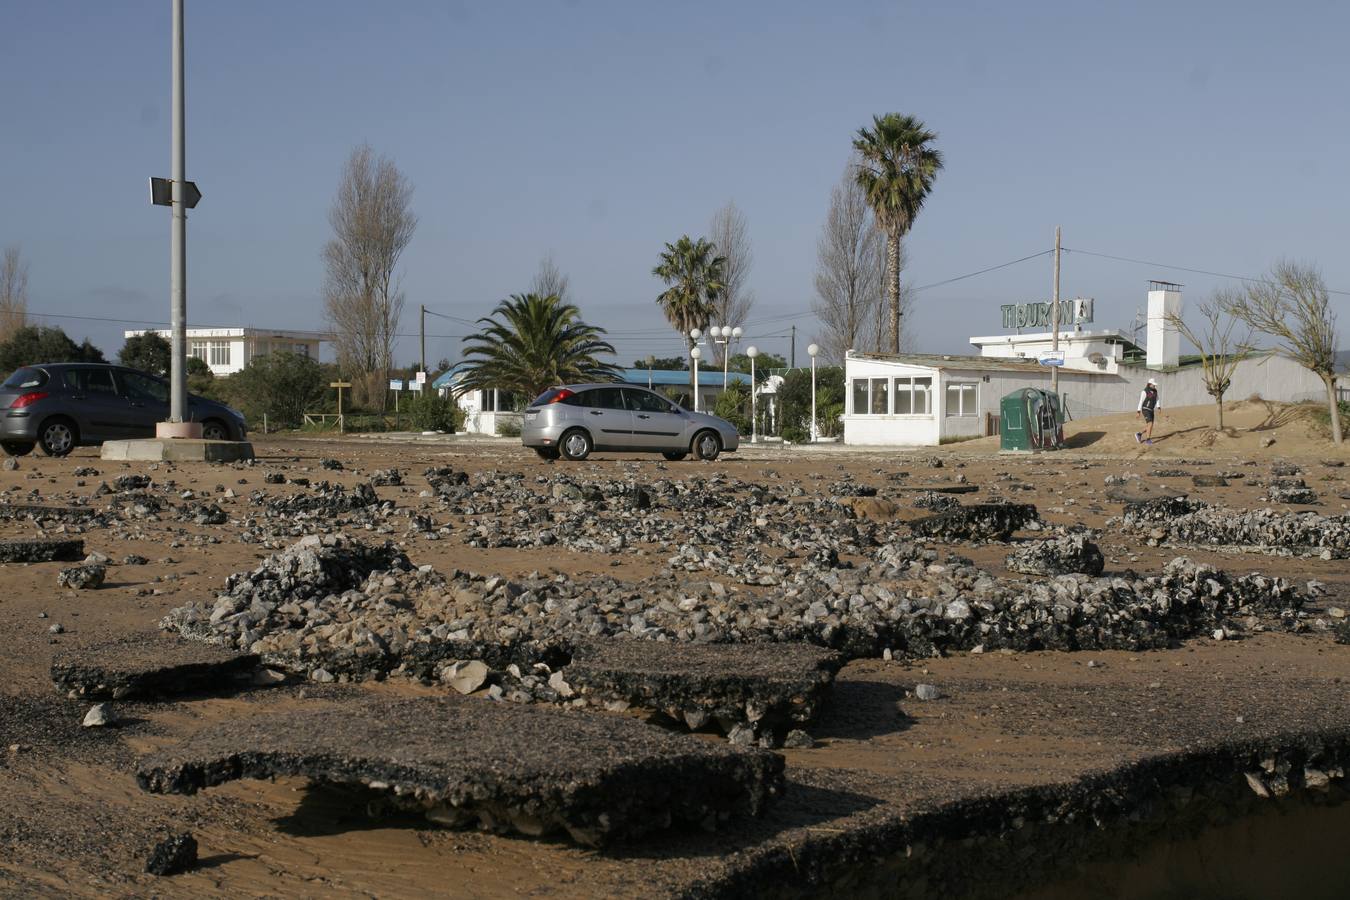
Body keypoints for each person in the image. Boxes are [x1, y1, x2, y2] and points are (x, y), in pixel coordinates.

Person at [1136, 378, 1160, 444]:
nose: (1154, 386)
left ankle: (1139, 434)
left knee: (1149, 426)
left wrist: (1158, 407)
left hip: (1151, 410)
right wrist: (1138, 412)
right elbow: (1140, 402)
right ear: (1149, 384)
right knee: (1150, 424)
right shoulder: (1144, 391)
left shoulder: (1155, 391)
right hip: (1145, 409)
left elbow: (1157, 399)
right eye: (1153, 384)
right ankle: (1148, 439)